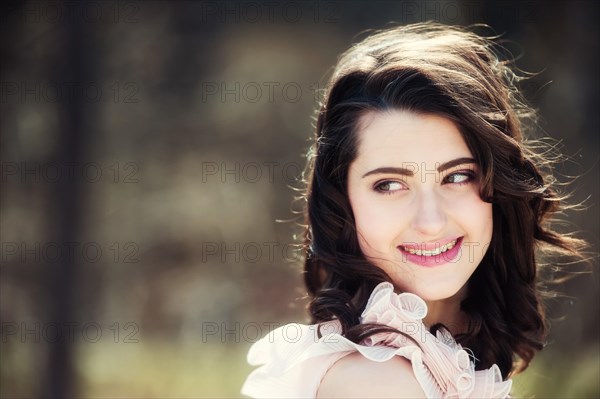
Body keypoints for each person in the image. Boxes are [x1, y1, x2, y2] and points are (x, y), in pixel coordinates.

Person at [241, 22, 588, 398]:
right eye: (389, 185)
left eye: (456, 177)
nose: (431, 221)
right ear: (342, 202)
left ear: (500, 183)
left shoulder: (446, 361)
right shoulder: (373, 382)